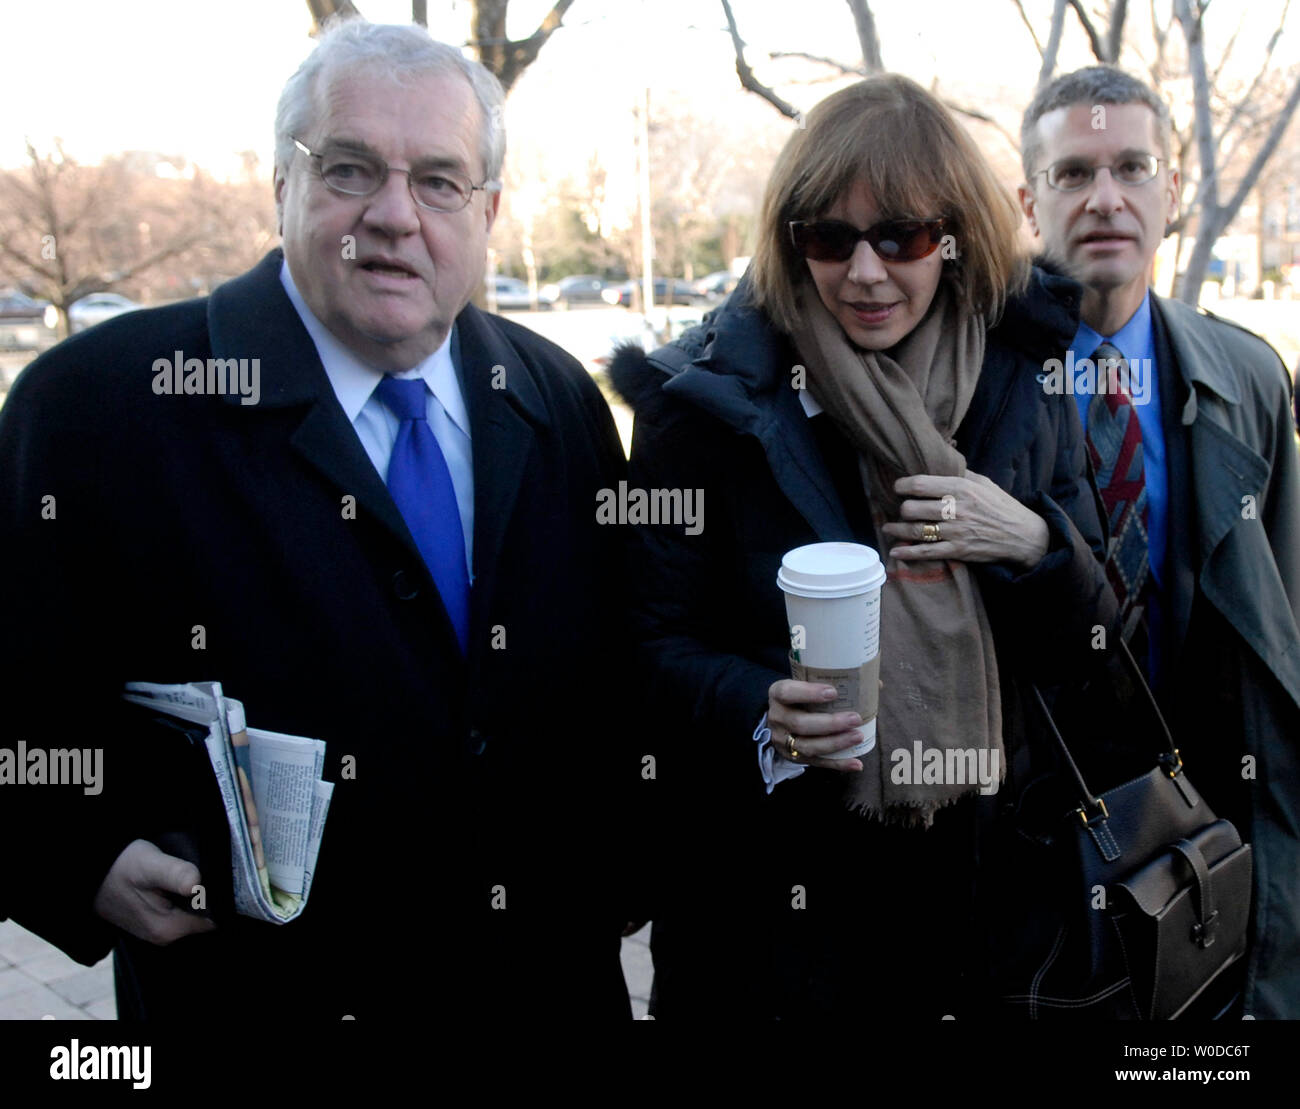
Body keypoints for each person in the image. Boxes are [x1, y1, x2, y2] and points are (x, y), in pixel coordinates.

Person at [0, 20, 634, 1020]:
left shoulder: (554, 398)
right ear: (281, 186)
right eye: (348, 169)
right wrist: (77, 850)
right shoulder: (97, 410)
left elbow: (617, 679)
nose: (392, 215)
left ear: (489, 211)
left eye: (438, 181)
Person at [611, 74, 1116, 1019]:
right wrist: (763, 712)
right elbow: (646, 650)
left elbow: (1094, 646)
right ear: (793, 243)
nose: (867, 272)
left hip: (985, 924)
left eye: (903, 236)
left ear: (955, 235)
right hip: (771, 938)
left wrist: (1034, 540)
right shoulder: (704, 410)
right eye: (830, 238)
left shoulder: (1023, 381)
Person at [1018, 65, 1300, 1020]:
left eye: (1133, 167)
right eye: (1072, 174)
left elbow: (1283, 633)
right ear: (1029, 200)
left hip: (1207, 852)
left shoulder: (1249, 379)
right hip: (1036, 868)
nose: (1105, 197)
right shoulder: (975, 378)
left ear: (1172, 192)